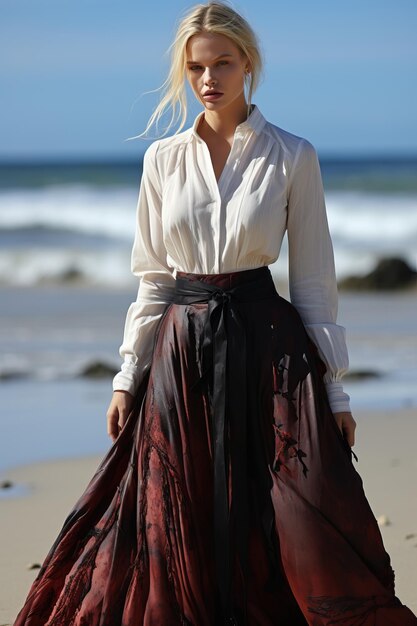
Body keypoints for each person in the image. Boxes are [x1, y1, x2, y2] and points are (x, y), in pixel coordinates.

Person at [13, 2, 417, 625]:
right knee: (180, 507)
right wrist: (128, 374)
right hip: (181, 348)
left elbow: (313, 282)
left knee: (290, 504)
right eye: (197, 67)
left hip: (267, 345)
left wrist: (335, 394)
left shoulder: (292, 155)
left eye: (222, 63)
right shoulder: (161, 160)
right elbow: (152, 277)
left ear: (247, 63)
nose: (209, 79)